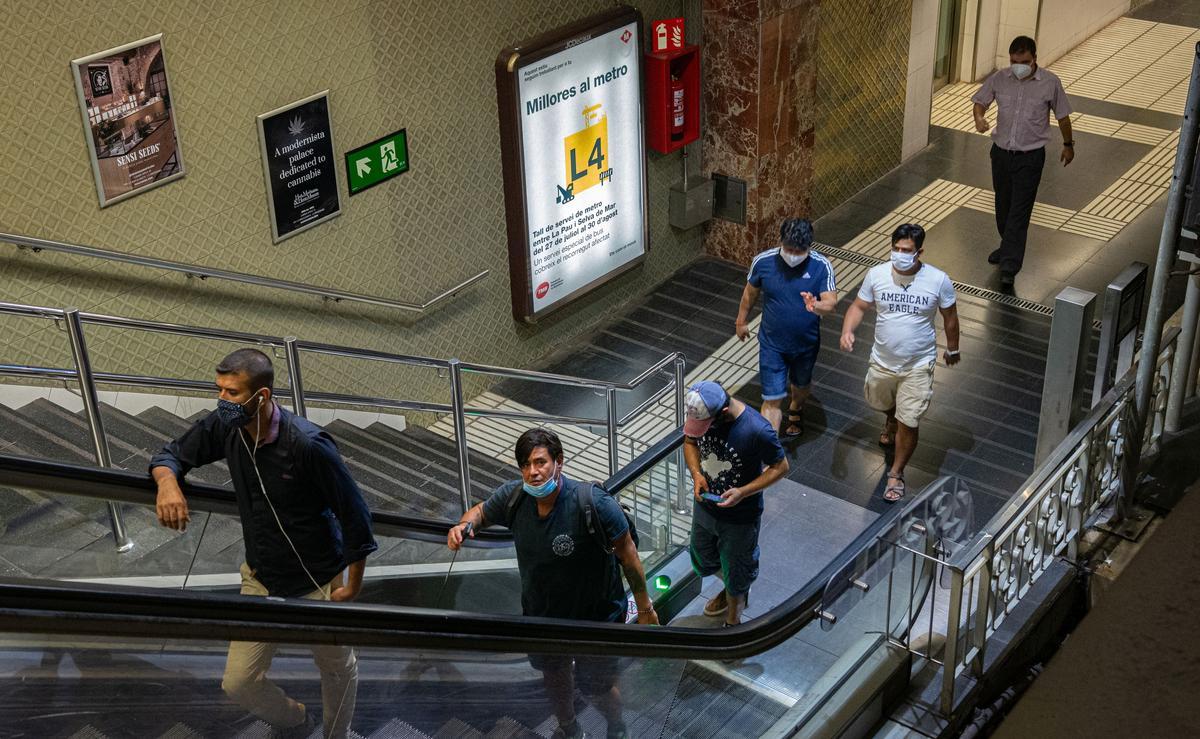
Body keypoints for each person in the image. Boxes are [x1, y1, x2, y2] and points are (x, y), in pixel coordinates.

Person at [150, 348, 377, 738]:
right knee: (238, 682)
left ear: (262, 396)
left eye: (233, 393)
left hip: (318, 580)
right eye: (219, 390)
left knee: (337, 668)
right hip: (261, 576)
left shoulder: (308, 446)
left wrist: (352, 585)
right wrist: (168, 484)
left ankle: (334, 736)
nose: (222, 401)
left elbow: (355, 514)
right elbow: (170, 454)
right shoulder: (226, 427)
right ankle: (294, 718)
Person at [447, 428, 658, 739]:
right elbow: (481, 511)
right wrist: (465, 525)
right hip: (542, 615)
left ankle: (617, 726)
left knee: (597, 687)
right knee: (554, 676)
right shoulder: (514, 498)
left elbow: (628, 555)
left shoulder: (593, 503)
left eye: (540, 462)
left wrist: (645, 608)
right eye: (525, 465)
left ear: (559, 461)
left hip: (595, 619)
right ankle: (569, 729)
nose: (532, 472)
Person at [839, 224, 960, 503]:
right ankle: (890, 416)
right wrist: (848, 330)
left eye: (906, 251)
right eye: (896, 249)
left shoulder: (938, 280)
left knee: (910, 419)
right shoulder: (877, 275)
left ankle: (896, 472)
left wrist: (952, 349)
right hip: (882, 361)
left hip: (918, 364)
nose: (900, 255)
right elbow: (858, 306)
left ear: (919, 252)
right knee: (879, 401)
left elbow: (950, 317)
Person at [682, 380, 788, 626]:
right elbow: (689, 442)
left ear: (724, 413)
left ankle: (733, 621)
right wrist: (697, 474)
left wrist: (743, 491)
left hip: (740, 518)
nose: (701, 429)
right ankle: (736, 586)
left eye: (706, 425)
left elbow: (781, 467)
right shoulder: (701, 415)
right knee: (701, 558)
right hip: (705, 507)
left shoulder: (757, 430)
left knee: (737, 572)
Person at [971, 35, 1074, 288]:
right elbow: (979, 101)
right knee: (1003, 205)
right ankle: (1008, 246)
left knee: (1019, 210)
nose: (1019, 66)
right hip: (1002, 154)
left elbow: (1062, 116)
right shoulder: (1000, 78)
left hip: (1030, 157)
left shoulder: (1050, 83)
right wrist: (979, 118)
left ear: (1035, 59)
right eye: (1015, 61)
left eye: (1025, 61)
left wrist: (1068, 145)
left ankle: (1010, 264)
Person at [736, 218, 838, 440]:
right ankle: (769, 448)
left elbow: (830, 303)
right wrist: (741, 321)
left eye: (799, 251)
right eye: (789, 249)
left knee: (800, 386)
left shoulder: (821, 266)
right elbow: (750, 293)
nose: (793, 254)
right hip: (772, 344)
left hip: (806, 344)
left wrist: (815, 304)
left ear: (809, 247)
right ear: (780, 241)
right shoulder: (763, 262)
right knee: (772, 398)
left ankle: (796, 406)